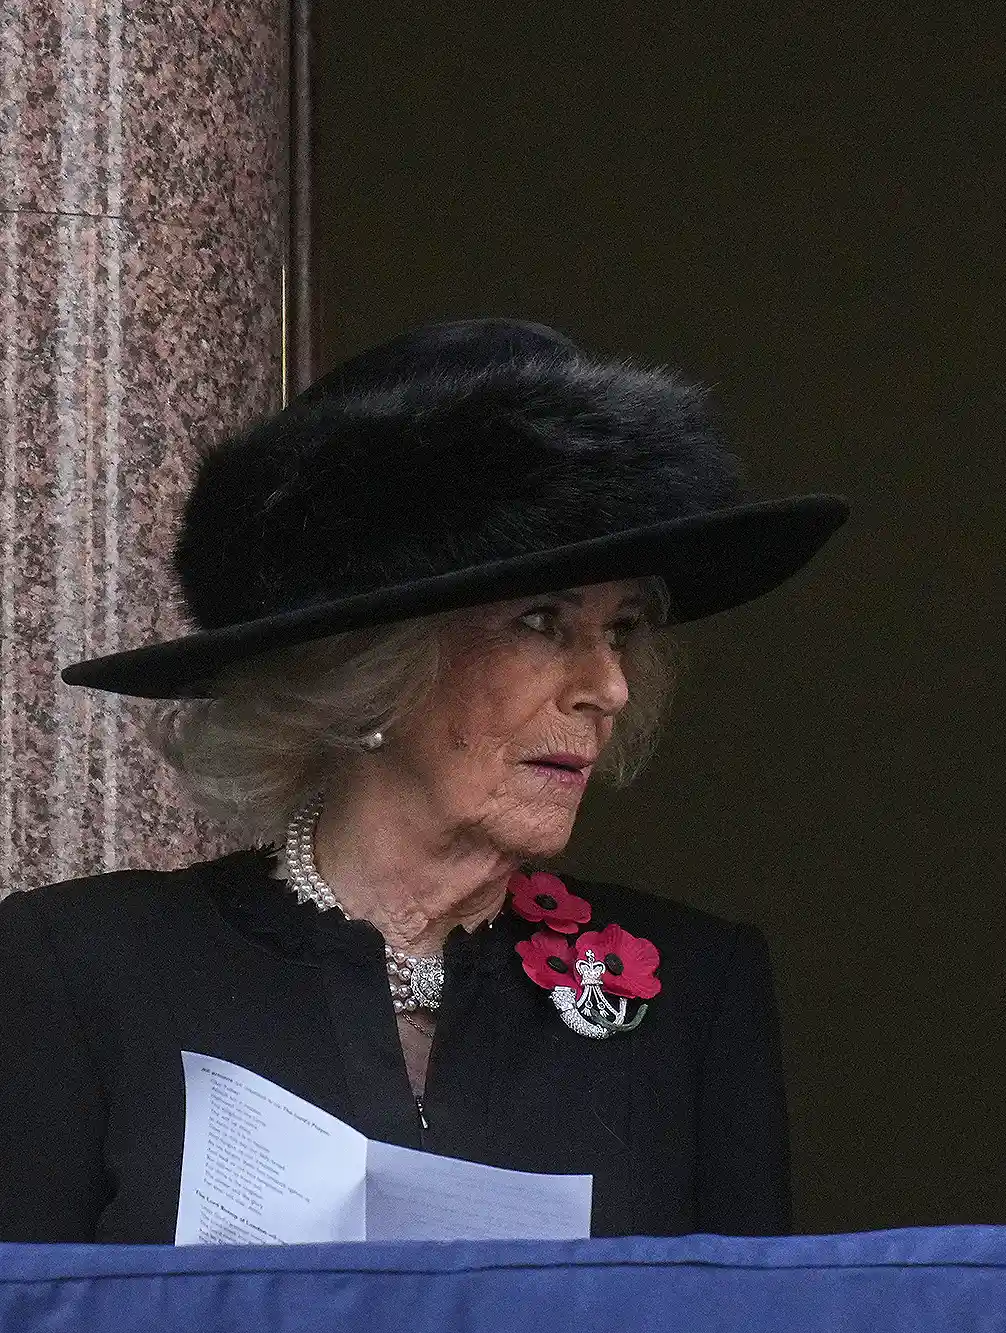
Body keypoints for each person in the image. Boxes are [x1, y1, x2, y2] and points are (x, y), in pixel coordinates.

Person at [0, 319, 847, 1241]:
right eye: (542, 622)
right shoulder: (82, 969)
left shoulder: (693, 991)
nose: (608, 687)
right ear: (369, 670)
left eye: (623, 627)